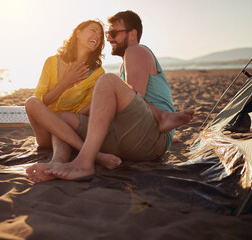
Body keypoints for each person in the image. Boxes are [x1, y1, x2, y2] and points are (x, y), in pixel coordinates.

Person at [27, 11, 194, 182]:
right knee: (64, 119)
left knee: (108, 80)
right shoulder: (123, 67)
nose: (108, 39)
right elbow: (125, 107)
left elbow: (137, 97)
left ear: (133, 33)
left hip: (148, 134)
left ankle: (84, 163)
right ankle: (57, 163)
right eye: (108, 34)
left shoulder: (135, 50)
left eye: (113, 33)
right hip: (130, 137)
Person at [24, 19, 122, 170]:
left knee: (64, 122)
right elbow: (40, 101)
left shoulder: (97, 73)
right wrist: (67, 82)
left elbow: (81, 113)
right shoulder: (51, 62)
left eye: (100, 35)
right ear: (78, 33)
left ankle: (56, 164)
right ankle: (95, 155)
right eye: (93, 30)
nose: (98, 35)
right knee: (31, 102)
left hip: (70, 130)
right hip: (46, 133)